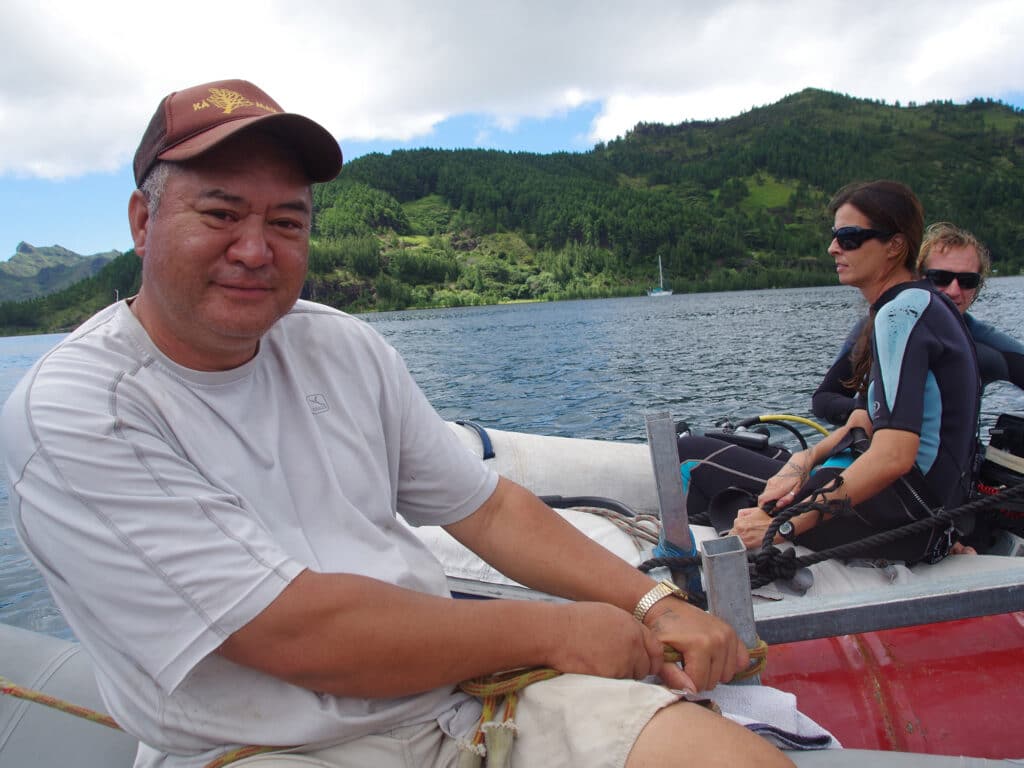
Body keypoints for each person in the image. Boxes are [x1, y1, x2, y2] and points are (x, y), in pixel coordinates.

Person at [0, 79, 792, 768]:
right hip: (263, 748)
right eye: (220, 213)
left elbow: (484, 507)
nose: (255, 248)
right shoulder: (79, 409)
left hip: (459, 704)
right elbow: (296, 635)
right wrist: (557, 634)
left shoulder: (337, 344)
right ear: (143, 221)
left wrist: (652, 605)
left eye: (286, 222)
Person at [676, 181, 981, 563]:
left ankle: (701, 577)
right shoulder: (921, 305)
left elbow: (893, 456)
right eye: (835, 236)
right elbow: (869, 422)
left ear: (895, 246)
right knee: (773, 465)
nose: (833, 247)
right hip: (923, 518)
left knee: (686, 452)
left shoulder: (901, 313)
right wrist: (804, 460)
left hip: (901, 520)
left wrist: (785, 524)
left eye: (849, 237)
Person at [812, 222, 1024, 426]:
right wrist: (867, 411)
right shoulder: (876, 327)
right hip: (876, 451)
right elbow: (823, 399)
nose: (954, 291)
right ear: (918, 277)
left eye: (967, 281)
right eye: (940, 277)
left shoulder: (983, 341)